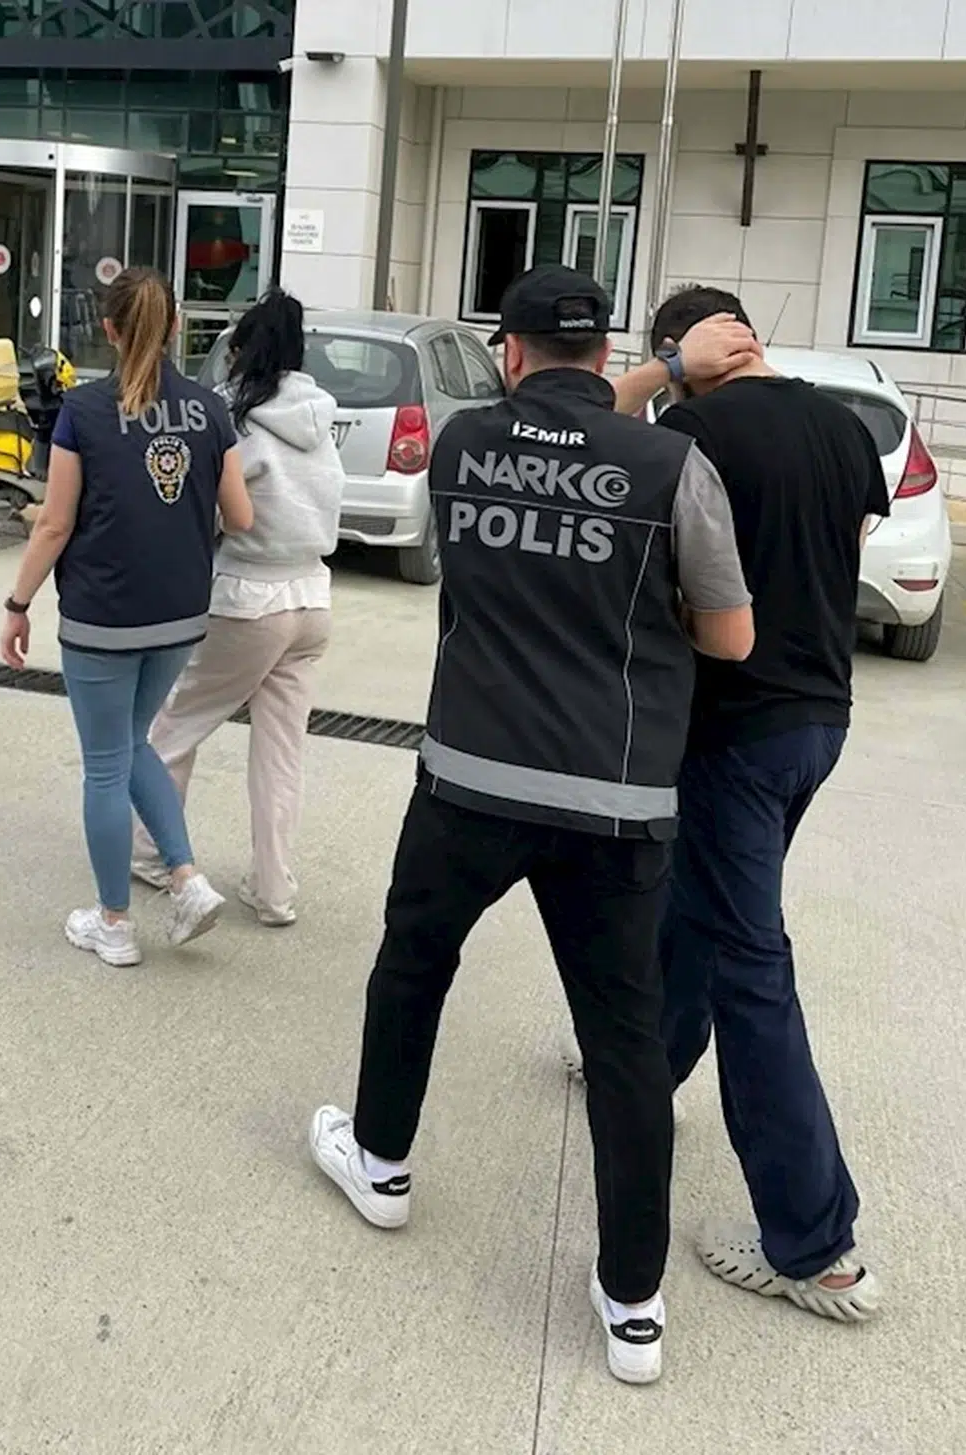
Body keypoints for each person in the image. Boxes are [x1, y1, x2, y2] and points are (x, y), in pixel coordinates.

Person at [306, 264, 757, 1386]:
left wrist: (639, 380)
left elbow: (555, 425)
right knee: (624, 1043)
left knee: (412, 966)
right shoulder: (674, 467)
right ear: (604, 353)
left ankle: (381, 1161)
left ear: (506, 353)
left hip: (467, 781)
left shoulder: (460, 446)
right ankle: (633, 1304)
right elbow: (730, 638)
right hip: (613, 801)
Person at [648, 285, 892, 1322]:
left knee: (751, 965)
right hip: (819, 723)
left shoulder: (693, 429)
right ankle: (644, 1062)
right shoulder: (844, 429)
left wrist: (668, 377)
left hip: (734, 730)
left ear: (692, 351)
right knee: (703, 907)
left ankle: (813, 1247)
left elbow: (592, 448)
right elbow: (846, 554)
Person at [0, 266, 253, 967]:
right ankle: (187, 878)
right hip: (179, 613)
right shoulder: (210, 409)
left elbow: (54, 524)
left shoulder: (83, 410)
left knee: (105, 766)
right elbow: (240, 515)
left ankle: (114, 923)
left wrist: (17, 604)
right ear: (176, 327)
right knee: (133, 743)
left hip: (102, 616)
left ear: (108, 330)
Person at [131, 289, 345, 928]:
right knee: (281, 751)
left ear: (241, 352)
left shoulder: (234, 421)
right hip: (312, 598)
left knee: (175, 724)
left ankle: (151, 854)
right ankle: (274, 891)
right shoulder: (320, 418)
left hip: (249, 598)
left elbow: (205, 509)